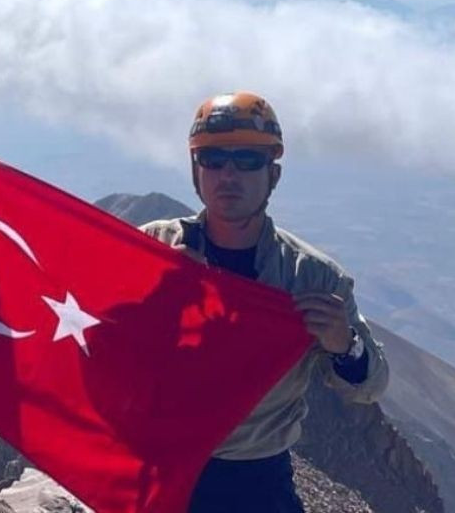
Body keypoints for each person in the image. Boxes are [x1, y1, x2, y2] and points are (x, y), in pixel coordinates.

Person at [142, 91, 389, 512]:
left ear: (273, 175)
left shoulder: (311, 277)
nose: (228, 174)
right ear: (195, 171)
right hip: (157, 467)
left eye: (248, 160)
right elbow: (91, 334)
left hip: (254, 481)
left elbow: (371, 384)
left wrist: (344, 344)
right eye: (213, 159)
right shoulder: (151, 248)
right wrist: (151, 294)